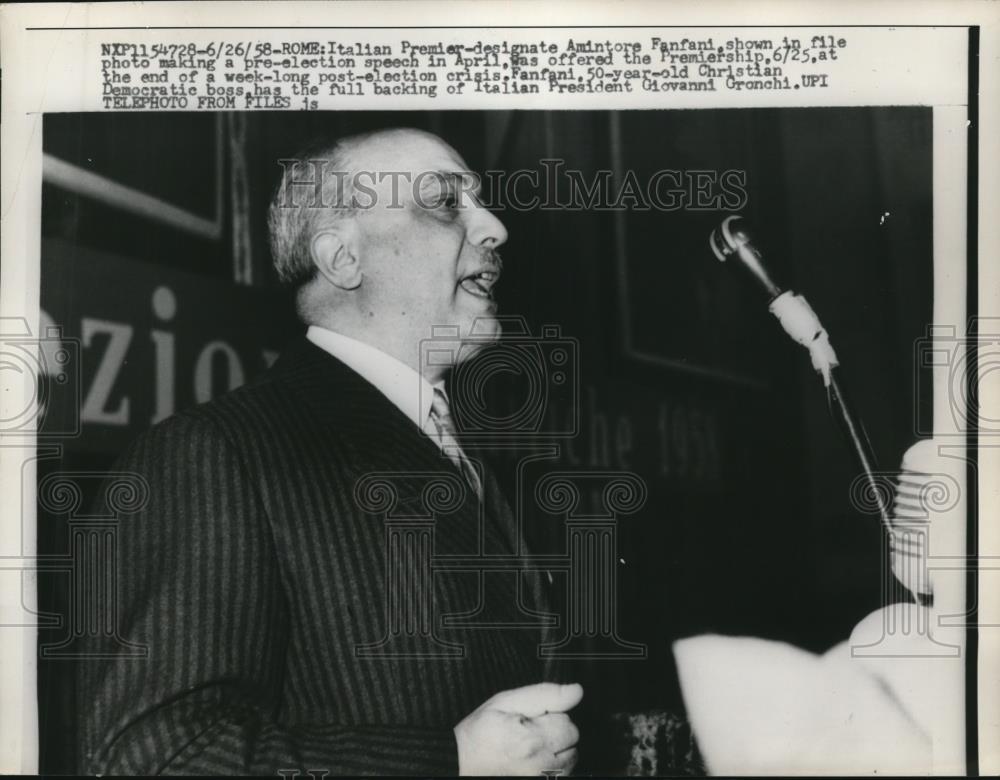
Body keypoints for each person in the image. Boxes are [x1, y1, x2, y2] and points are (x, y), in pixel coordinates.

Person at [76, 128, 582, 776]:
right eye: (445, 203)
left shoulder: (462, 457)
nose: (494, 228)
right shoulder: (216, 454)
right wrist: (448, 762)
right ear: (344, 260)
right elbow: (150, 758)